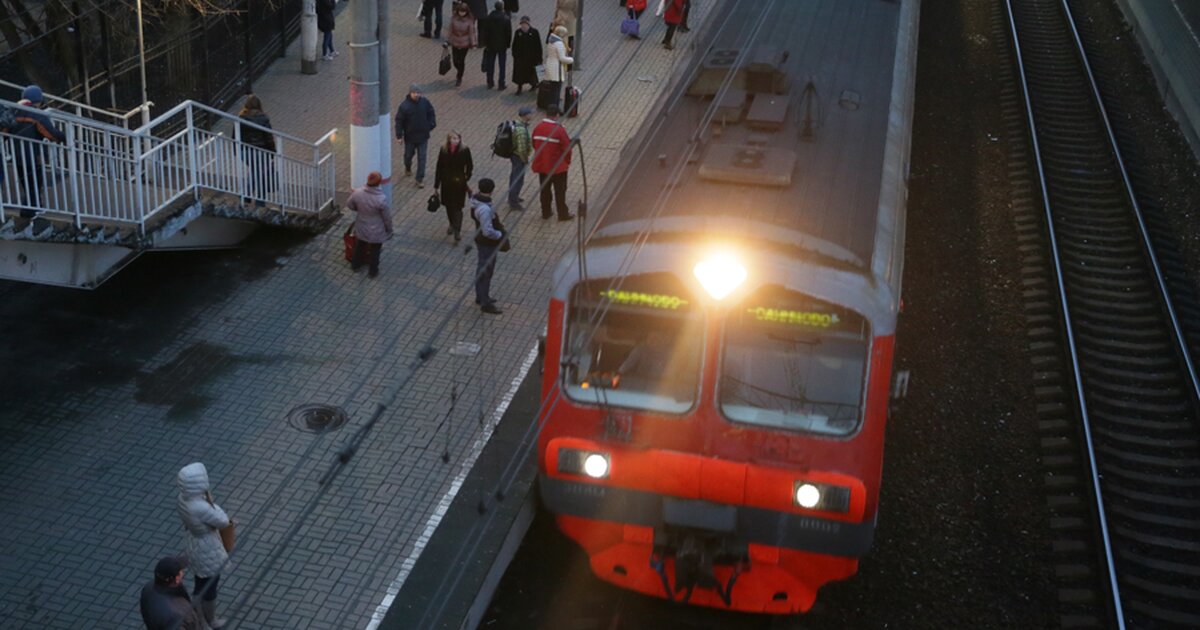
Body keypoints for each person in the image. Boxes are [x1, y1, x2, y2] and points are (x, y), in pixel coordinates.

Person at [177, 462, 231, 630]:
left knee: (201, 583)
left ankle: (203, 621)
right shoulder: (200, 506)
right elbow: (222, 520)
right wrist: (213, 504)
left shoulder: (182, 499)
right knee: (208, 586)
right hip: (207, 547)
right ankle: (207, 621)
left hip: (194, 543)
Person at [9, 85, 65, 217]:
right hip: (33, 155)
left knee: (25, 182)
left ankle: (27, 209)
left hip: (17, 155)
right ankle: (33, 210)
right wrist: (63, 137)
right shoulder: (37, 114)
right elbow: (50, 134)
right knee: (35, 183)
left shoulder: (14, 112)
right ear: (39, 100)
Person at [531, 104, 574, 221]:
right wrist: (567, 162)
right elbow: (567, 149)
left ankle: (546, 212)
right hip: (558, 167)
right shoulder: (559, 130)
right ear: (556, 116)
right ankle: (563, 214)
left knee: (545, 190)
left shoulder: (538, 128)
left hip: (542, 166)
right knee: (560, 191)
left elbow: (534, 144)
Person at [347, 172, 393, 277]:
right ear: (379, 183)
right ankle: (373, 271)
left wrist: (358, 209)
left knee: (360, 245)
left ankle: (355, 265)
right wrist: (389, 229)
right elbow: (386, 217)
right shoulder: (381, 199)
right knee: (375, 249)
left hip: (362, 225)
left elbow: (349, 204)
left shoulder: (358, 193)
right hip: (376, 229)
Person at [471, 178, 505, 314]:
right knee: (486, 271)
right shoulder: (484, 209)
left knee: (482, 268)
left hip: (481, 241)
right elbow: (487, 231)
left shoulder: (476, 201)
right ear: (491, 190)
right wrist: (499, 235)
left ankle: (481, 296)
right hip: (487, 243)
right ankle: (485, 302)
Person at [140, 556, 203, 630]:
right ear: (176, 579)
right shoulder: (177, 615)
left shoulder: (148, 588)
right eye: (181, 571)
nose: (182, 572)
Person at [237, 94, 276, 207]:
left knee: (255, 171)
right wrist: (272, 152)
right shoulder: (263, 118)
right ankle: (260, 202)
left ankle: (246, 195)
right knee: (261, 175)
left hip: (246, 151)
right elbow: (268, 137)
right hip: (261, 151)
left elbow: (236, 135)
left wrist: (237, 150)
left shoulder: (241, 118)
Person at [433, 131, 473, 243]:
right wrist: (436, 185)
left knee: (458, 207)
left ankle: (457, 230)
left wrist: (466, 177)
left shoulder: (464, 150)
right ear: (449, 139)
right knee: (448, 206)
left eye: (458, 138)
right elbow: (439, 167)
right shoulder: (444, 150)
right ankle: (451, 223)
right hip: (446, 183)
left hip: (459, 183)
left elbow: (469, 165)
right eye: (454, 138)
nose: (456, 140)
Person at [396, 84, 437, 187]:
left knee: (422, 158)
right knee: (408, 156)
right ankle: (408, 167)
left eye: (418, 93)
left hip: (423, 136)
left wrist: (431, 124)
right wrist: (399, 136)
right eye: (414, 93)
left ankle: (419, 179)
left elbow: (431, 113)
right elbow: (399, 121)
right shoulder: (404, 106)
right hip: (410, 137)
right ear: (410, 93)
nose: (416, 95)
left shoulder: (425, 102)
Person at [480, 1, 512, 90]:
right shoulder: (506, 18)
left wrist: (486, 43)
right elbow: (508, 33)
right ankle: (501, 83)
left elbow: (485, 32)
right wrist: (508, 44)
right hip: (502, 46)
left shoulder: (489, 17)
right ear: (502, 7)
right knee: (502, 66)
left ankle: (490, 82)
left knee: (490, 64)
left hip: (491, 45)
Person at [507, 105, 534, 209]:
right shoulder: (521, 130)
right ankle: (513, 201)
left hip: (514, 155)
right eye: (530, 113)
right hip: (519, 157)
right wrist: (525, 159)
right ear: (525, 115)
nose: (532, 115)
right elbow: (522, 149)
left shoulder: (516, 124)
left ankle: (513, 196)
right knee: (517, 179)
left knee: (514, 176)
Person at [446, 2, 478, 88]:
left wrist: (473, 43)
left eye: (463, 11)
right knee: (455, 60)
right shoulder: (454, 18)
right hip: (455, 42)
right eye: (460, 11)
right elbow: (450, 30)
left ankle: (459, 77)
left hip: (464, 43)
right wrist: (447, 40)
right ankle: (459, 70)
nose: (461, 13)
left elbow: (472, 33)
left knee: (461, 60)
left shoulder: (469, 20)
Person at [542, 25, 573, 111]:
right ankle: (554, 108)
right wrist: (571, 59)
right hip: (556, 69)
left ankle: (551, 106)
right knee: (556, 90)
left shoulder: (551, 41)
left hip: (550, 66)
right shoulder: (559, 43)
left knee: (552, 89)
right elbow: (562, 58)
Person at [510, 16, 541, 95]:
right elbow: (514, 44)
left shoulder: (534, 32)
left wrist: (539, 58)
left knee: (532, 73)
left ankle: (534, 85)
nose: (523, 26)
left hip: (531, 59)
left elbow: (538, 46)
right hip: (520, 59)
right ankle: (519, 88)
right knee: (520, 75)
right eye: (522, 24)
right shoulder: (518, 32)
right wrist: (515, 55)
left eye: (525, 24)